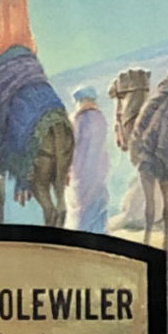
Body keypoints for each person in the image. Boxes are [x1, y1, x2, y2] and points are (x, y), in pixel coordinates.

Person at [66, 85, 110, 233]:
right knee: (97, 201)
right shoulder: (100, 117)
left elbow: (71, 146)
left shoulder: (77, 119)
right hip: (98, 169)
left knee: (80, 204)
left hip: (80, 170)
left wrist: (67, 168)